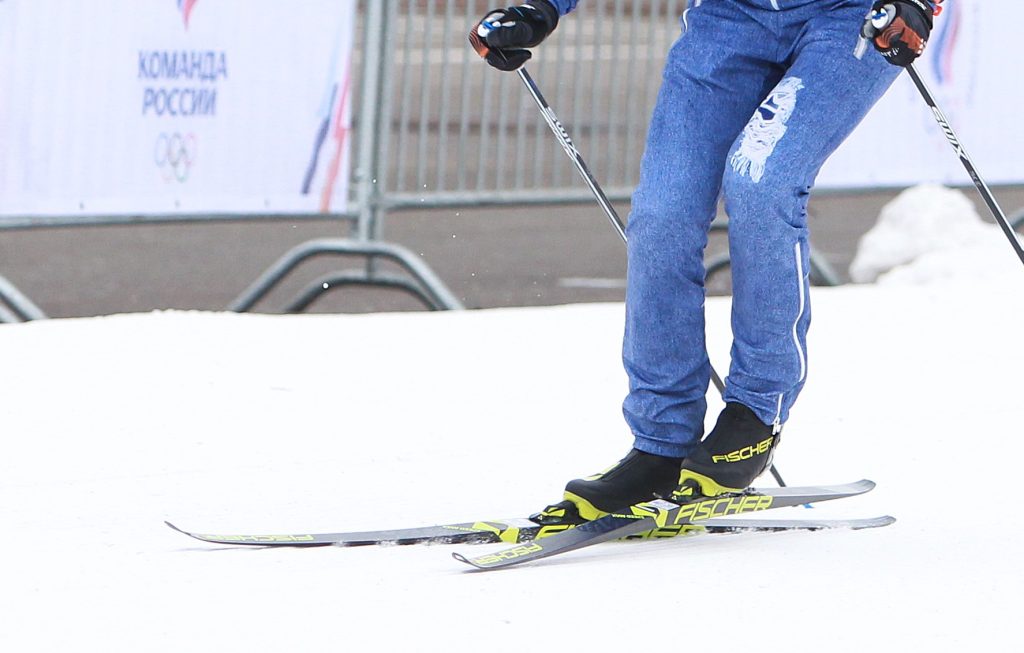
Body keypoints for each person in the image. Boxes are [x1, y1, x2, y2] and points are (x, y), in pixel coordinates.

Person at [470, 0, 939, 522]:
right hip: (729, 18)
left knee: (760, 182)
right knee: (662, 214)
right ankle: (660, 444)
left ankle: (754, 417)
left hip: (845, 18)